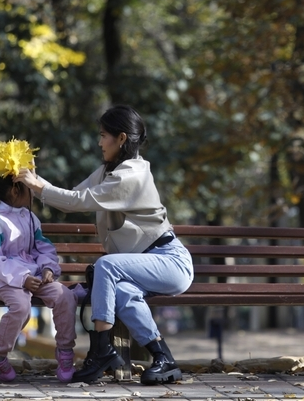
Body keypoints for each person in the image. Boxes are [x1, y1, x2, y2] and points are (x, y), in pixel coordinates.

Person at [14, 105, 194, 385]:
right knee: (122, 292)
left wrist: (37, 186)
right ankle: (164, 358)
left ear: (121, 138)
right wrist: (36, 181)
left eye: (103, 135)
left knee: (106, 265)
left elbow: (77, 202)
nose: (99, 142)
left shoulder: (132, 176)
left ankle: (100, 351)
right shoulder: (108, 172)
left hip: (169, 261)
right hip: (141, 266)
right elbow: (73, 196)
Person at [0, 139, 78, 383]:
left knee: (66, 296)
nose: (35, 187)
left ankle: (65, 353)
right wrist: (22, 278)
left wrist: (48, 268)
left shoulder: (29, 218)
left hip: (33, 276)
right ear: (15, 190)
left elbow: (43, 247)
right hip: (3, 279)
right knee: (21, 307)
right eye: (30, 183)